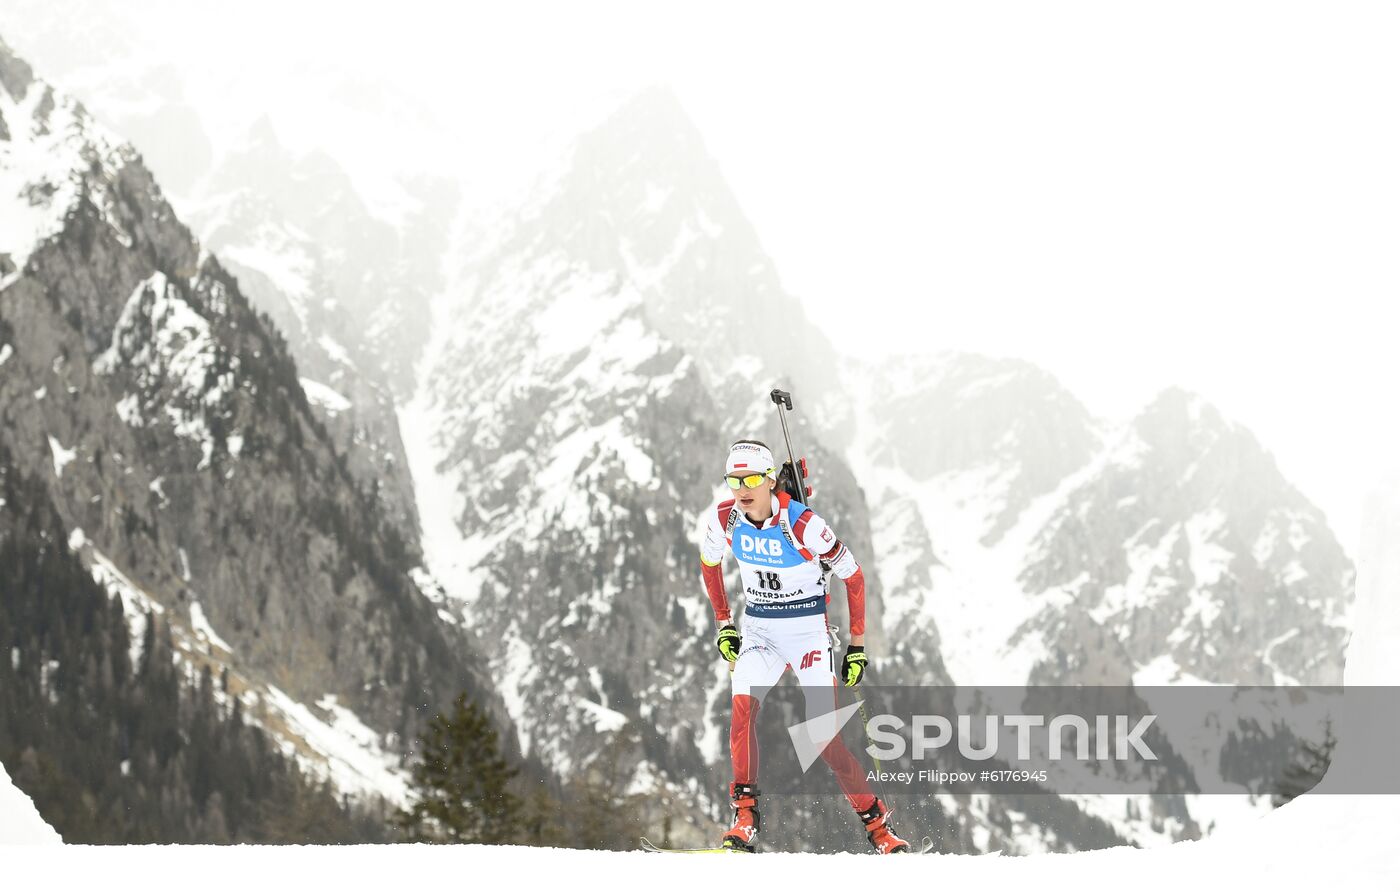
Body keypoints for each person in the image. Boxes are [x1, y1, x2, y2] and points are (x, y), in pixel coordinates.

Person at [699, 439, 911, 853]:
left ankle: (878, 827)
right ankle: (745, 815)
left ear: (771, 480)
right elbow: (709, 566)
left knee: (823, 739)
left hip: (807, 633)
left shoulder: (803, 524)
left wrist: (857, 646)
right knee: (742, 713)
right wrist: (725, 624)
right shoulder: (725, 520)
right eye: (734, 479)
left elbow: (853, 576)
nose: (742, 489)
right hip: (760, 630)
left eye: (753, 479)